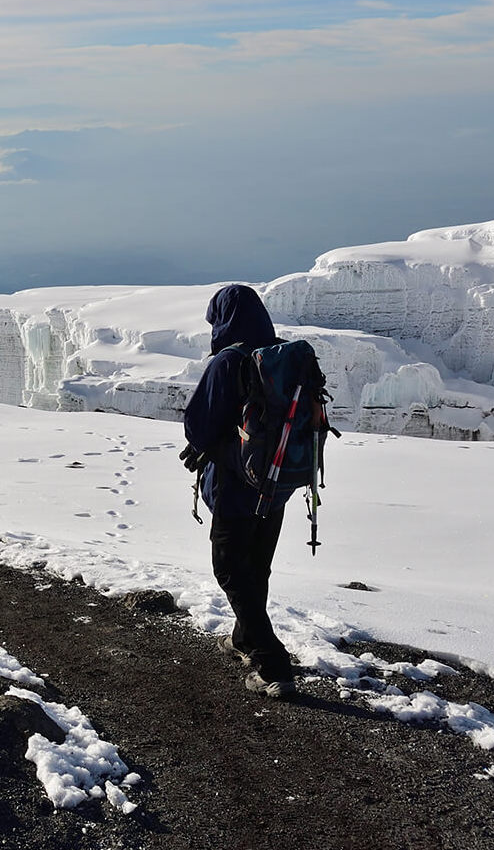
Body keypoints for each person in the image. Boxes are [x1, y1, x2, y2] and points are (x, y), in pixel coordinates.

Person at [180, 284, 296, 698]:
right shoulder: (282, 357)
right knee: (255, 568)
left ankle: (272, 664)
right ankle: (244, 638)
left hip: (236, 487)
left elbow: (199, 425)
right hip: (278, 485)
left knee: (230, 569)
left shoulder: (229, 361)